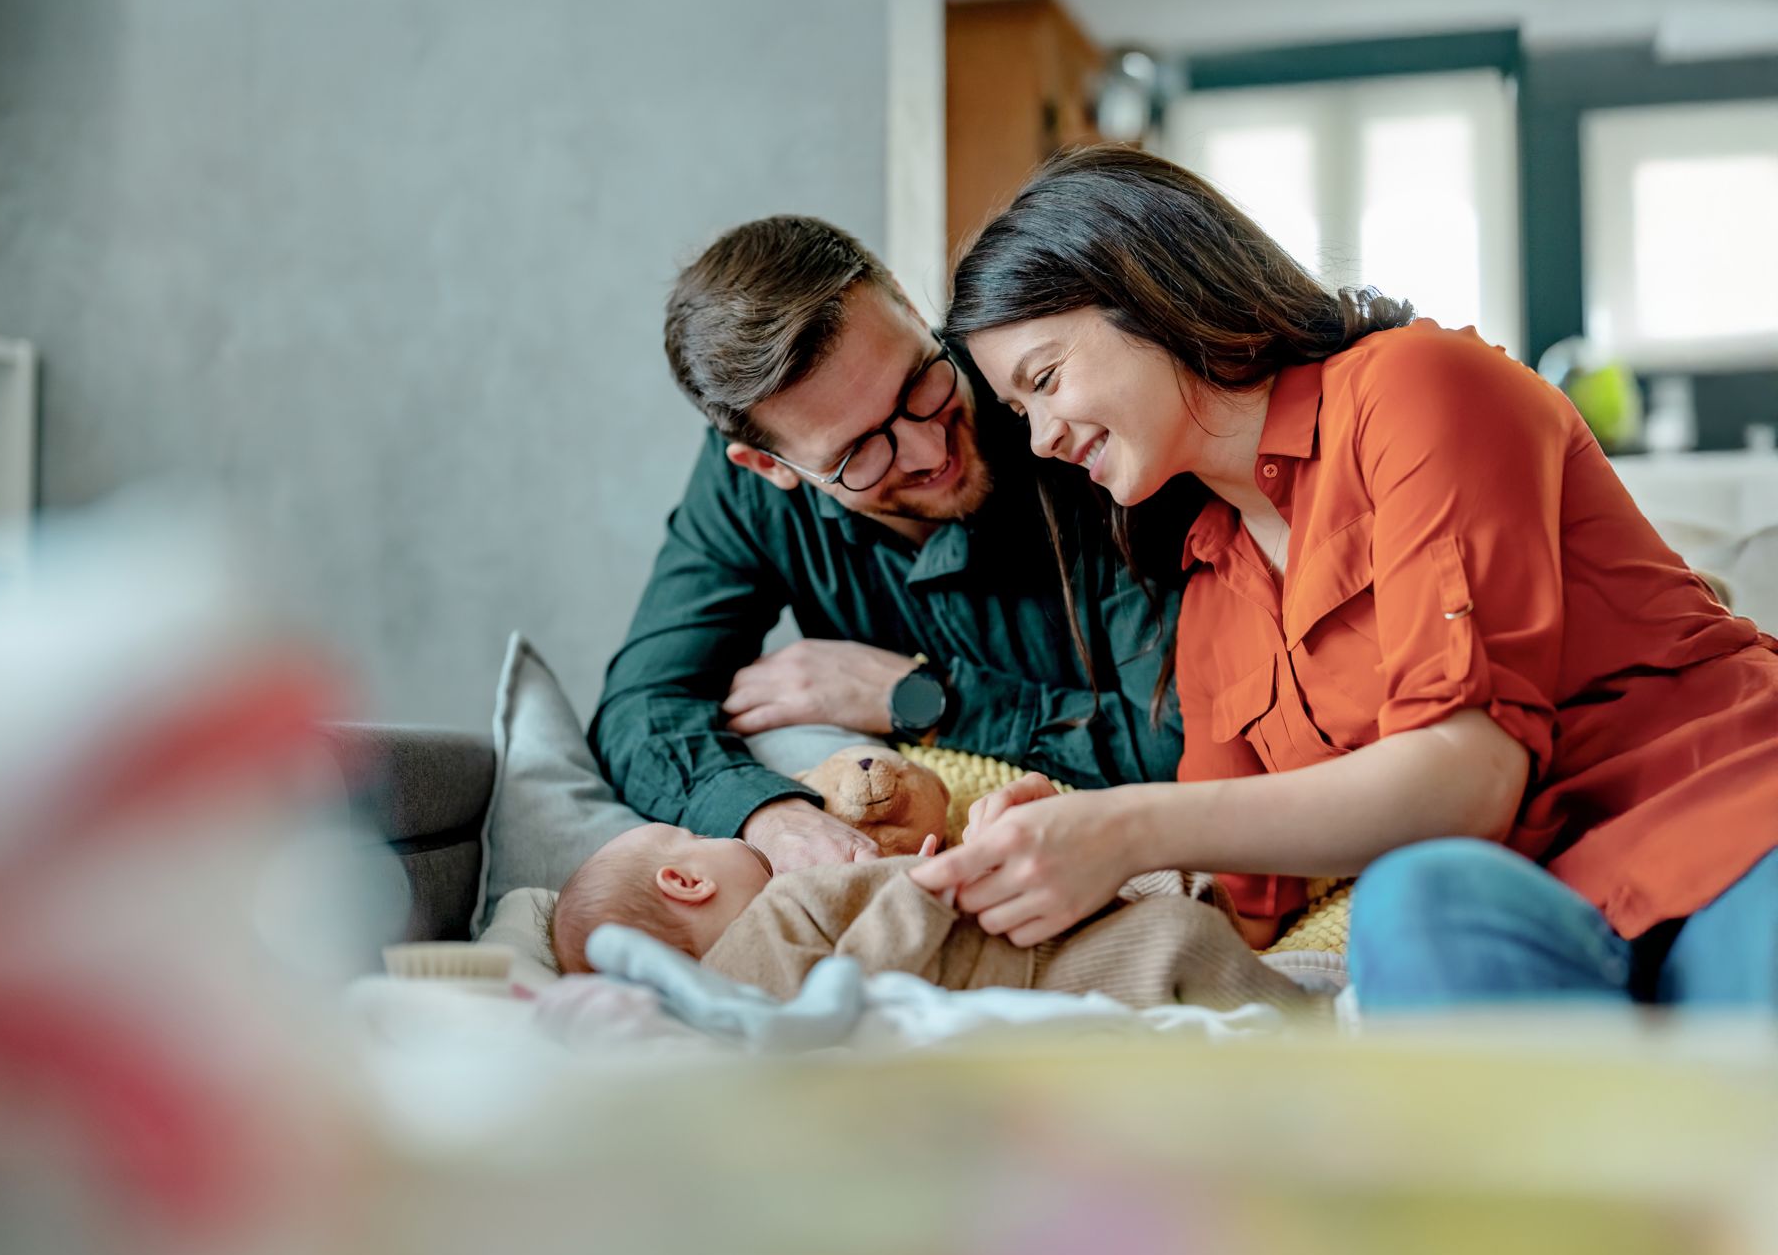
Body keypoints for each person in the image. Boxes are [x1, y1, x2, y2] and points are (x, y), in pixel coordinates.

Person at [911, 144, 1778, 1010]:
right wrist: (1039, 856)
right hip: (1547, 910)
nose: (1042, 439)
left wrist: (1122, 827)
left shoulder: (1413, 386)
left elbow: (1466, 778)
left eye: (1047, 379)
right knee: (1412, 905)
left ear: (1145, 287)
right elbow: (1236, 902)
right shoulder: (1212, 589)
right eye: (1022, 412)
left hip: (1729, 818)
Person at [589, 216, 1184, 873]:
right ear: (771, 468)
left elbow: (1181, 747)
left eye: (919, 383)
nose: (931, 450)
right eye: (859, 453)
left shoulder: (1068, 416)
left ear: (904, 301)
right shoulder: (746, 497)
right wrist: (770, 817)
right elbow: (640, 711)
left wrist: (923, 699)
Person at [545, 822, 1316, 1015]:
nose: (725, 839)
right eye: (693, 841)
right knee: (1175, 942)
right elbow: (852, 991)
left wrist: (908, 876)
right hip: (1023, 969)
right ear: (684, 881)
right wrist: (925, 892)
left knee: (1158, 909)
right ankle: (1320, 1028)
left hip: (997, 947)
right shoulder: (759, 939)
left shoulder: (759, 951)